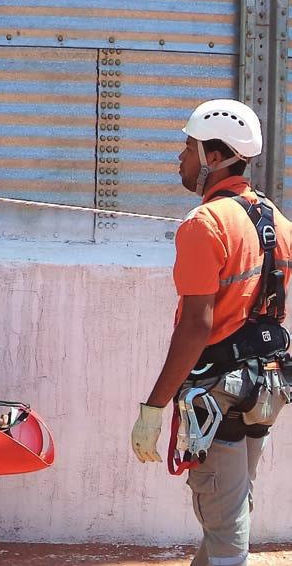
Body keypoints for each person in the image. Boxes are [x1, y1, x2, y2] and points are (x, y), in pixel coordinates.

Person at [130, 99, 292, 566]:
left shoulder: (206, 224)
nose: (180, 158)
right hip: (264, 389)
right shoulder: (277, 222)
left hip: (219, 396)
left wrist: (153, 407)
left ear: (216, 158)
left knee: (225, 535)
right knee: (230, 513)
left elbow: (197, 325)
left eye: (188, 147)